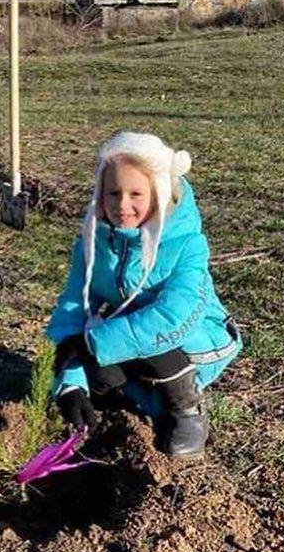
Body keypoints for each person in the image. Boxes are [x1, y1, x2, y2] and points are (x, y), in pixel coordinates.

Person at [46, 131, 242, 457]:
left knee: (138, 339)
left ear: (159, 193)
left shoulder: (187, 244)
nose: (123, 206)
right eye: (113, 193)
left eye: (136, 193)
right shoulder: (92, 244)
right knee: (99, 363)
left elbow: (172, 318)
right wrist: (70, 381)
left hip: (197, 337)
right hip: (133, 330)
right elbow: (73, 307)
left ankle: (186, 412)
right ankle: (143, 404)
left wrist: (92, 343)